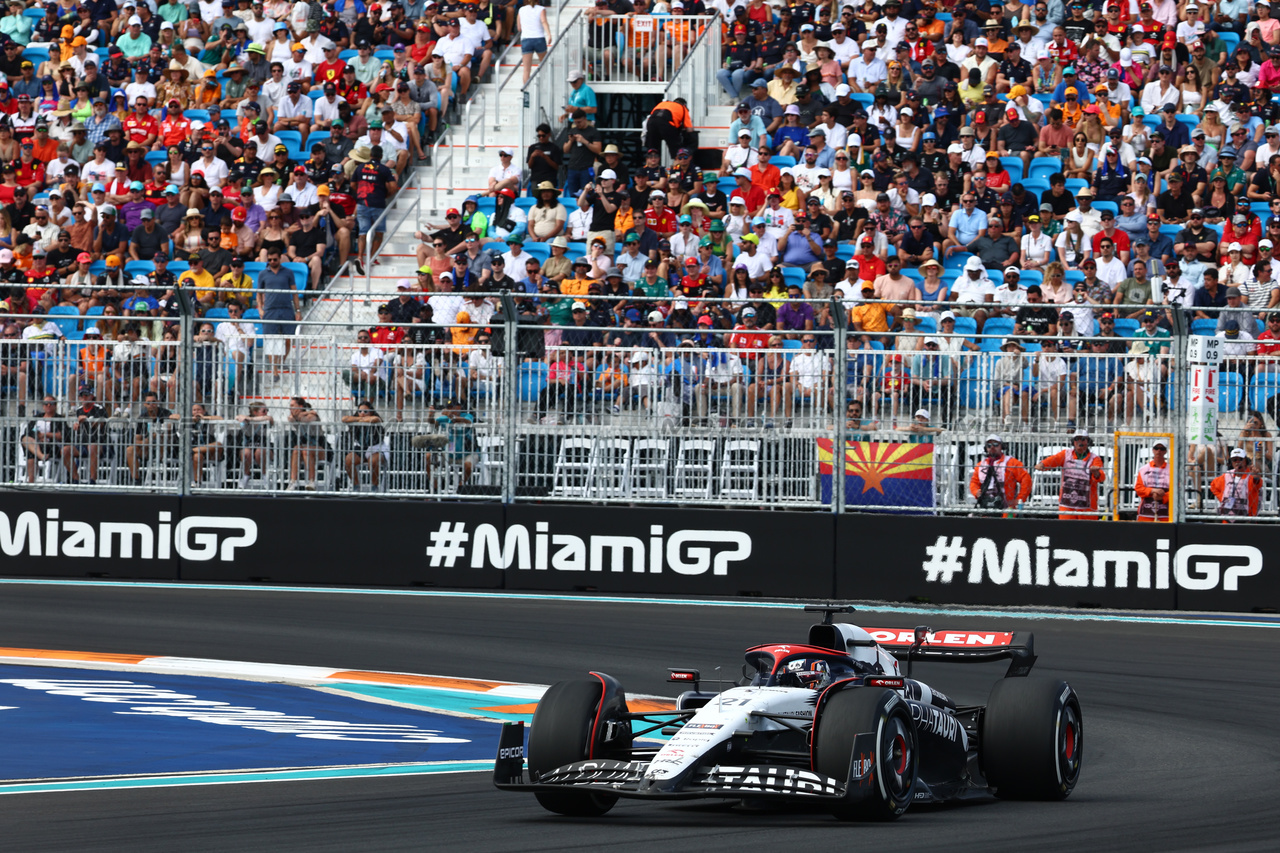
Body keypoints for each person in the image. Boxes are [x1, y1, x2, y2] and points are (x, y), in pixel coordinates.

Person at [1037, 429, 1106, 520]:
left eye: (1083, 439)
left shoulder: (1095, 459)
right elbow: (1054, 459)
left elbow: (1101, 477)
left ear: (1088, 442)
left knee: (1088, 531)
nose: (1080, 442)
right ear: (1073, 442)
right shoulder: (1066, 454)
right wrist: (1043, 464)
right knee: (1065, 530)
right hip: (1067, 502)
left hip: (1086, 504)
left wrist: (1096, 473)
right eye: (1077, 439)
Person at [969, 434, 1032, 514]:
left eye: (995, 444)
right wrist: (975, 492)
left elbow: (1026, 480)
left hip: (1007, 507)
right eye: (989, 445)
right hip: (984, 505)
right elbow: (974, 482)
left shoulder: (1012, 463)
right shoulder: (980, 465)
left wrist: (1020, 499)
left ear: (1001, 446)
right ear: (986, 448)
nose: (992, 447)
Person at [341, 399, 387, 491]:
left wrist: (359, 420)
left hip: (375, 448)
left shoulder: (376, 420)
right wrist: (360, 419)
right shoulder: (357, 421)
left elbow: (375, 419)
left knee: (373, 461)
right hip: (360, 448)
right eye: (360, 411)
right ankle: (356, 485)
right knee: (348, 460)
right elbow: (344, 419)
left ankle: (375, 486)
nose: (362, 413)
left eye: (365, 411)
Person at [1210, 448, 1262, 519]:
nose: (1237, 462)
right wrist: (1222, 497)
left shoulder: (1251, 476)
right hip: (1227, 517)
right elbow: (1213, 485)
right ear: (1231, 462)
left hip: (1248, 518)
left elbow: (1257, 484)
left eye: (1240, 459)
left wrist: (1256, 477)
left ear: (1246, 461)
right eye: (1234, 460)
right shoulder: (1227, 475)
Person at [1134, 439, 1172, 522]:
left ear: (1165, 451)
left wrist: (1163, 497)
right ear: (1153, 450)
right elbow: (1138, 489)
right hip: (1145, 513)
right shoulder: (1144, 469)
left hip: (1167, 514)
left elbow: (1177, 491)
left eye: (1162, 449)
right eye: (1156, 448)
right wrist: (1152, 491)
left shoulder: (1172, 470)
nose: (1159, 451)